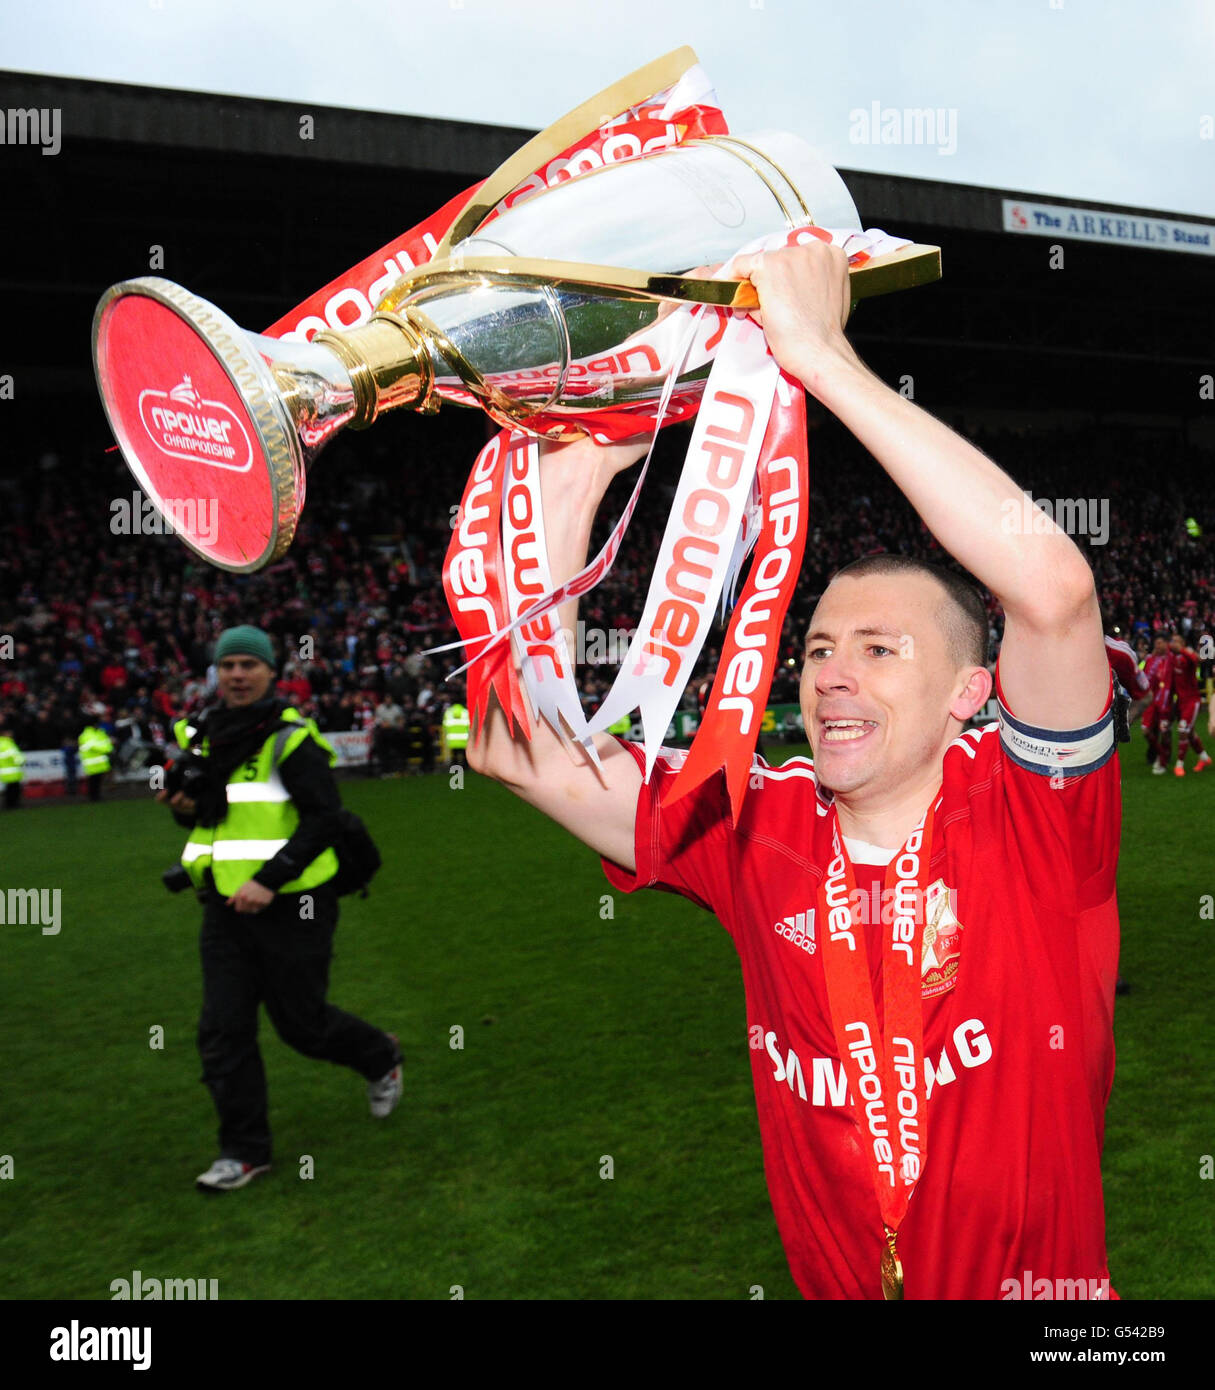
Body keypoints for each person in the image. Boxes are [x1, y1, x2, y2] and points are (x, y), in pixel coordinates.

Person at [466, 240, 1124, 1300]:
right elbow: (516, 746)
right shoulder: (754, 827)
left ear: (971, 690)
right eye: (817, 649)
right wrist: (577, 471)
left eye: (880, 649)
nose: (831, 676)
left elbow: (1052, 588)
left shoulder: (1034, 815)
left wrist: (824, 360)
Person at [159, 625, 402, 1194]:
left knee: (302, 1025)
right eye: (228, 666)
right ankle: (243, 1153)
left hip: (297, 905)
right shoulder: (201, 736)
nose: (237, 674)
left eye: (249, 664)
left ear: (272, 672)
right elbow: (209, 819)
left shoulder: (291, 739)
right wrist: (180, 806)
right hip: (223, 907)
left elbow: (327, 819)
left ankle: (380, 1054)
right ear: (216, 674)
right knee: (223, 1030)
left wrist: (270, 880)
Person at [1167, 633, 1210, 776]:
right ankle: (1204, 758)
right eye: (1173, 641)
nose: (1174, 643)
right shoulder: (1172, 657)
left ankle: (1179, 765)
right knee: (1189, 733)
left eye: (1177, 641)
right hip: (1180, 701)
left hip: (1192, 700)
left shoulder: (1188, 654)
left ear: (1183, 643)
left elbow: (1196, 659)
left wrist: (1183, 650)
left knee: (1183, 730)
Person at [1141, 636, 1174, 775]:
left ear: (1166, 644)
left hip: (1166, 701)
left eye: (1160, 643)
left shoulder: (1171, 659)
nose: (1157, 645)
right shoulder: (1150, 659)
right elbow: (1144, 676)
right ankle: (1159, 754)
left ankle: (1163, 756)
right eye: (1156, 643)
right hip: (1151, 700)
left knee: (1165, 731)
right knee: (1147, 730)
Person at [77, 719, 114, 801]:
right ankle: (93, 797)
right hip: (92, 763)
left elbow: (107, 744)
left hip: (99, 762)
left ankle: (96, 796)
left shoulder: (100, 733)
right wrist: (106, 749)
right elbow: (96, 746)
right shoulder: (86, 735)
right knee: (92, 781)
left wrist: (107, 748)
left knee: (98, 781)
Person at [0, 723, 24, 810]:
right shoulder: (8, 743)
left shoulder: (1, 743)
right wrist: (21, 761)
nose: (11, 734)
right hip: (12, 771)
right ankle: (13, 805)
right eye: (10, 733)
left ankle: (8, 805)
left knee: (9, 789)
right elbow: (15, 756)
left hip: (4, 771)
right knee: (14, 790)